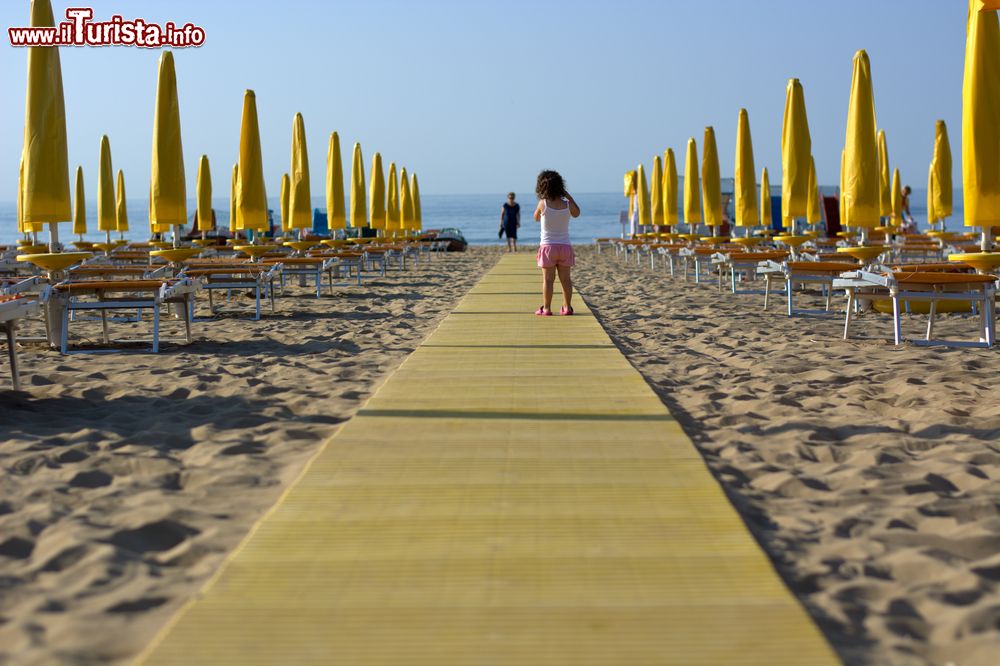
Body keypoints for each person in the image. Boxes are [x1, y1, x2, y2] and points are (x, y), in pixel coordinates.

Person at [533, 170, 581, 316]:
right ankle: (567, 307)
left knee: (548, 280)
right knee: (566, 280)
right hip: (565, 247)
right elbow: (577, 213)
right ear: (561, 186)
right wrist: (568, 196)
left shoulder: (543, 203)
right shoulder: (567, 205)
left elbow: (535, 218)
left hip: (548, 247)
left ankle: (546, 308)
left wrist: (542, 201)